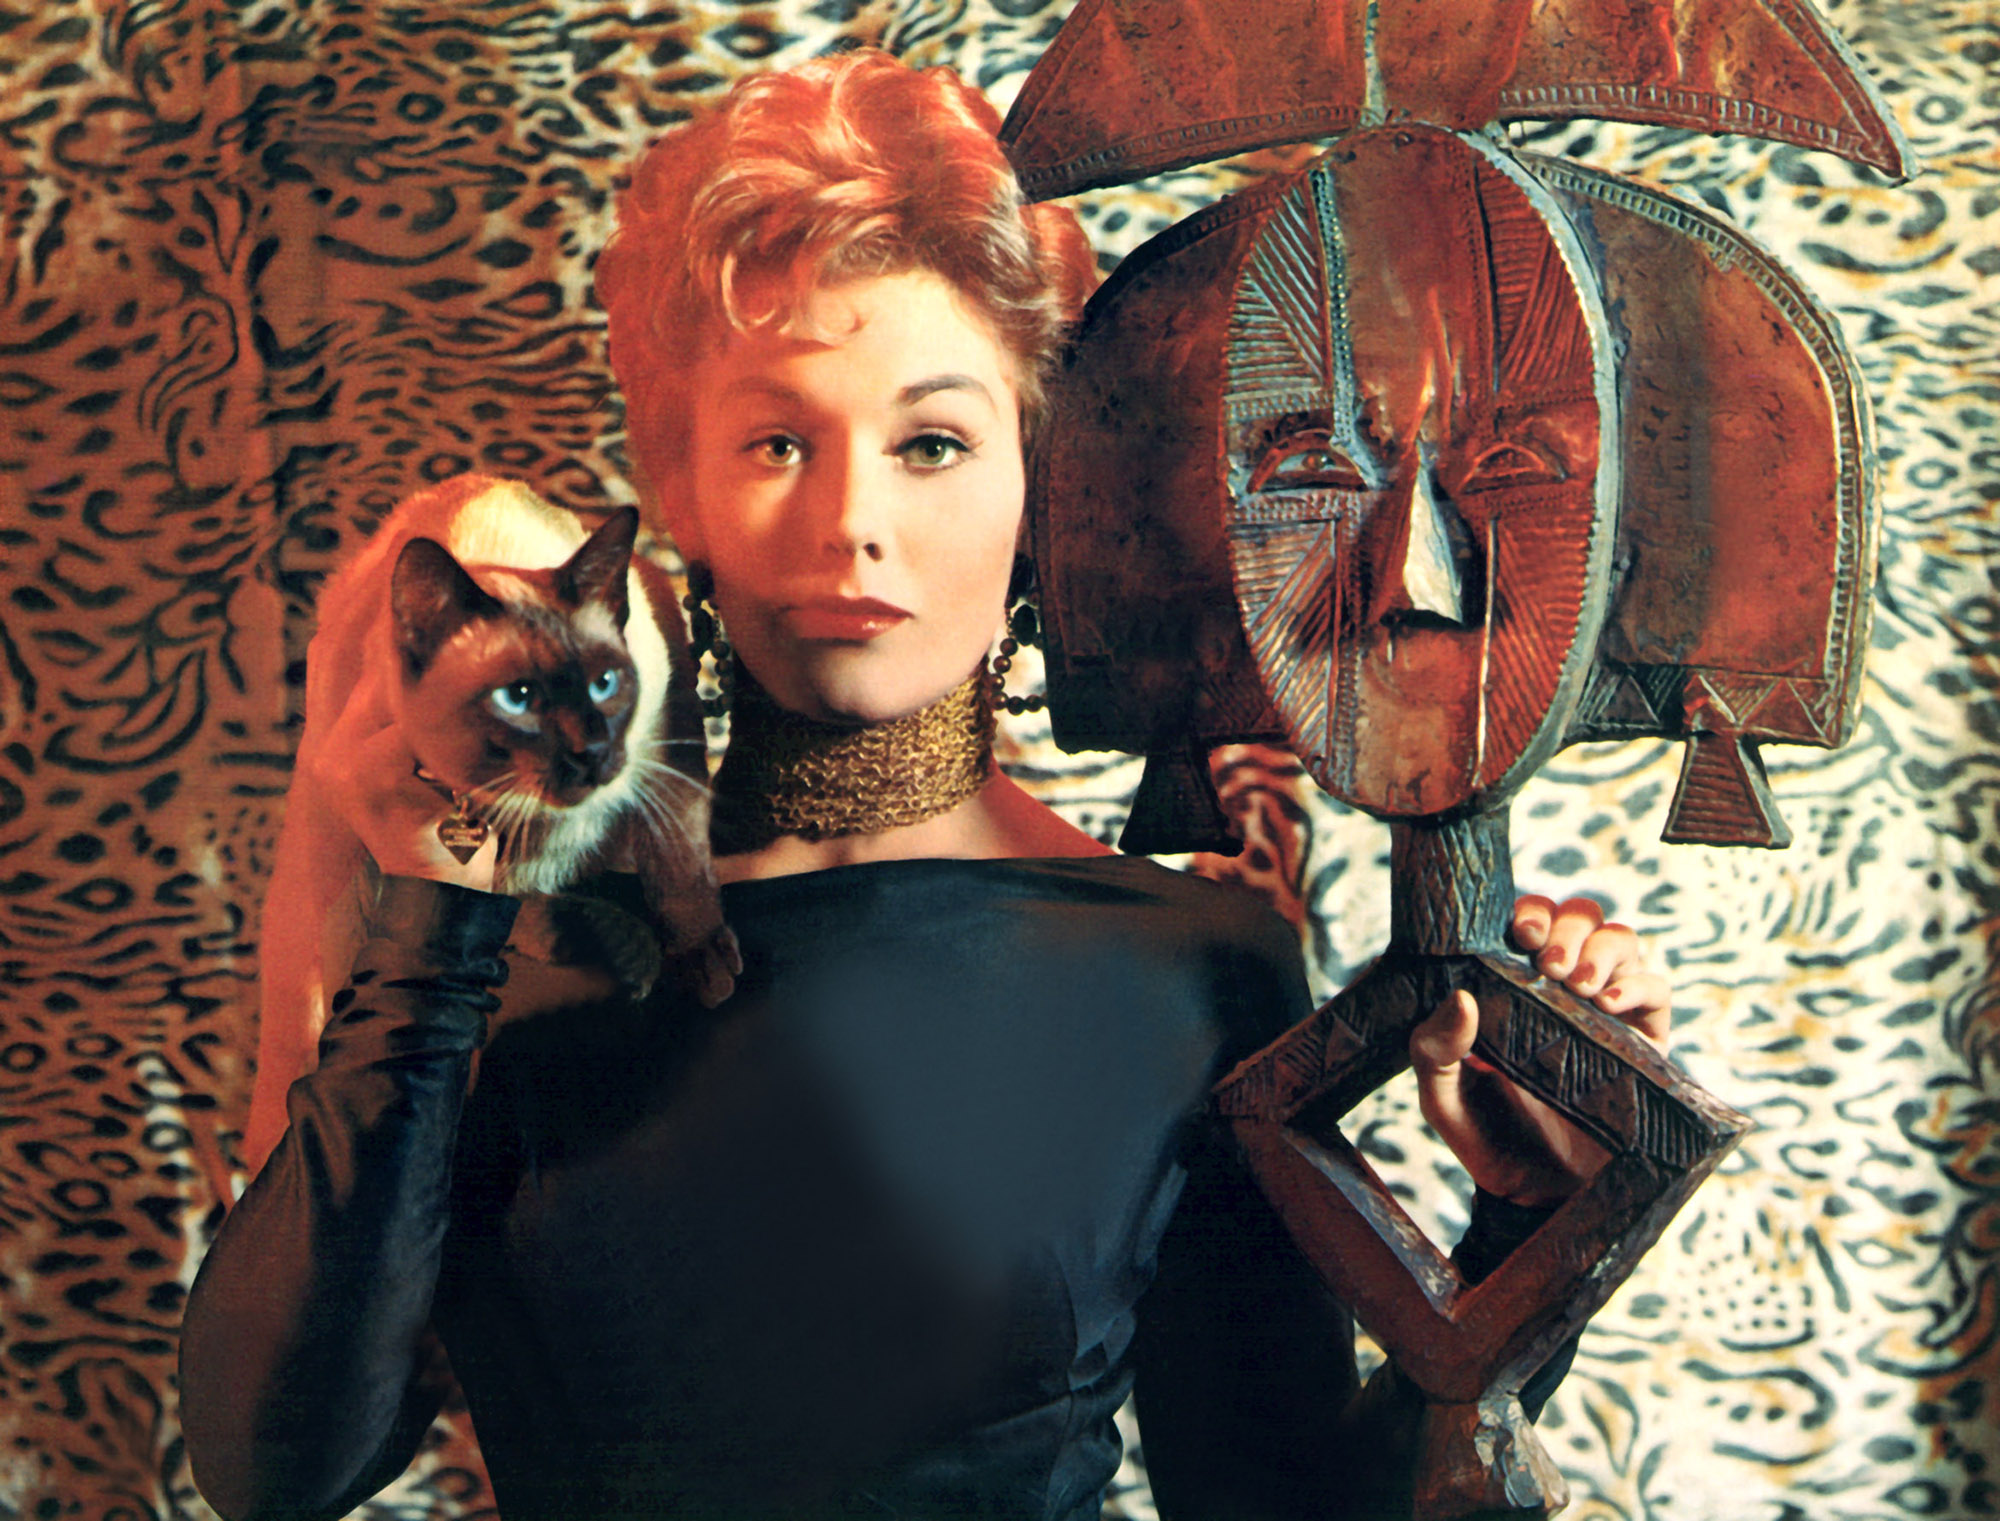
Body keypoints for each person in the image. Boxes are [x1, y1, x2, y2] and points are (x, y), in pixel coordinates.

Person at [178, 48, 1670, 1521]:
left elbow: (1277, 1505)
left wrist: (1533, 1226)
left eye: (934, 443)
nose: (852, 522)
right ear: (678, 486)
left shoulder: (1191, 963)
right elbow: (277, 1466)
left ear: (1038, 483)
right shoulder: (505, 946)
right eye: (779, 441)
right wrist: (429, 926)